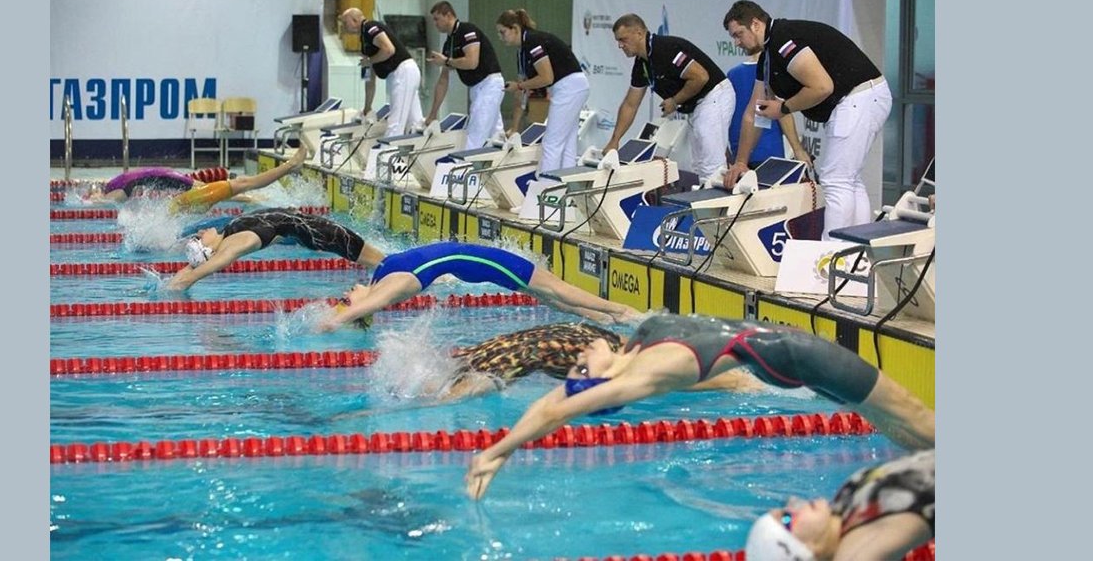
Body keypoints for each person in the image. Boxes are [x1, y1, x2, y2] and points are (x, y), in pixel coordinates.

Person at [464, 314, 935, 500]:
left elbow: (554, 401)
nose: (580, 357)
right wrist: (497, 452)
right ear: (599, 382)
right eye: (581, 369)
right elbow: (560, 411)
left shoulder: (632, 349)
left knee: (892, 424)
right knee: (916, 415)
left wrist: (500, 450)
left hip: (791, 361)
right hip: (806, 358)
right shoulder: (643, 373)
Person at [722, 0, 891, 240]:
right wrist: (741, 162)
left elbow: (821, 86)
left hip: (860, 97)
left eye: (739, 34)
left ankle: (831, 255)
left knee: (836, 179)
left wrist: (784, 107)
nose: (736, 42)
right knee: (848, 179)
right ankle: (857, 252)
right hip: (863, 98)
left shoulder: (783, 39)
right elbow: (754, 111)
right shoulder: (768, 57)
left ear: (756, 24)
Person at [321, 242, 640, 331]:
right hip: (489, 261)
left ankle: (604, 319)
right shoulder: (394, 285)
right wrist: (331, 322)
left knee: (549, 296)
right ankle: (622, 311)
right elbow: (366, 308)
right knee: (556, 290)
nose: (346, 293)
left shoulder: (379, 277)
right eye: (346, 300)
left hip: (482, 264)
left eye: (343, 297)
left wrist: (335, 316)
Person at [440, 322, 766, 400]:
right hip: (594, 341)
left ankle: (738, 381)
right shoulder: (497, 359)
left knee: (655, 378)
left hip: (529, 349)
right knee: (656, 376)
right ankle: (738, 380)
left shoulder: (492, 356)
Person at [602, 14, 734, 182]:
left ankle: (720, 205)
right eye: (617, 41)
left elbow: (700, 77)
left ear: (640, 33)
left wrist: (675, 100)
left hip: (715, 95)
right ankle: (712, 200)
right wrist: (615, 141)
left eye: (623, 39)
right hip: (698, 104)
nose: (620, 45)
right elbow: (630, 104)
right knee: (701, 164)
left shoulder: (665, 49)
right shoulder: (642, 64)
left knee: (711, 164)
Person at [743, 449, 934, 561]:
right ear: (805, 551)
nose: (793, 502)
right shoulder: (860, 545)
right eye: (787, 518)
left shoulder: (841, 510)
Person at [167, 205, 386, 291]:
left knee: (380, 261)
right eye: (198, 240)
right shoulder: (232, 246)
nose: (200, 233)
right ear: (207, 251)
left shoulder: (228, 233)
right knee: (382, 263)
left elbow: (194, 267)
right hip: (318, 232)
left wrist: (182, 273)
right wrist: (183, 281)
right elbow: (200, 271)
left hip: (307, 225)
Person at [86, 143, 311, 214]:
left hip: (178, 186)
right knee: (241, 185)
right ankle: (289, 167)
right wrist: (92, 202)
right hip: (181, 188)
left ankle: (262, 199)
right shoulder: (112, 191)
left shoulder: (112, 185)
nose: (94, 191)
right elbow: (112, 200)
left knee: (237, 190)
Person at [495, 9, 589, 174]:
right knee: (567, 143)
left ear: (515, 28)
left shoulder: (532, 41)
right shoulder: (522, 51)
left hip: (569, 87)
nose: (500, 37)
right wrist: (514, 127)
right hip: (571, 87)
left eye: (503, 32)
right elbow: (521, 92)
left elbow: (546, 77)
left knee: (551, 143)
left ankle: (546, 188)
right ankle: (564, 188)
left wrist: (520, 85)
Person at [424, 1, 505, 151]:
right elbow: (443, 81)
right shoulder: (449, 43)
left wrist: (447, 61)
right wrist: (433, 113)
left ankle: (464, 169)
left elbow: (472, 62)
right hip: (476, 88)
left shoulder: (467, 30)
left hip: (489, 84)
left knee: (475, 133)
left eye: (437, 19)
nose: (435, 23)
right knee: (496, 135)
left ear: (448, 15)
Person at [340, 8, 425, 138]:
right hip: (401, 74)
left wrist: (369, 61)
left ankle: (386, 154)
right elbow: (369, 79)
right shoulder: (364, 42)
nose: (344, 27)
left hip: (403, 71)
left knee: (395, 123)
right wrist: (367, 107)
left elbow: (389, 50)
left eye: (345, 23)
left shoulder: (370, 27)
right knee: (416, 124)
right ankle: (420, 153)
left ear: (355, 20)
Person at [726, 52, 811, 168]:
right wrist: (798, 150)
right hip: (769, 152)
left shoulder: (732, 74)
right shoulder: (772, 73)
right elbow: (782, 112)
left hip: (739, 152)